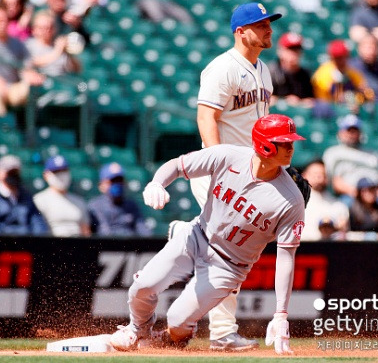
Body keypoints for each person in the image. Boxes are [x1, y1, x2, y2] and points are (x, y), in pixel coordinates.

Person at [109, 114, 306, 355]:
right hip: (197, 235)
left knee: (177, 320)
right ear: (265, 144)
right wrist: (157, 183)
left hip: (229, 265)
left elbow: (286, 257)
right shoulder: (228, 155)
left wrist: (281, 314)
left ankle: (172, 339)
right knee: (143, 286)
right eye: (284, 142)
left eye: (291, 142)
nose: (290, 148)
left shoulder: (291, 199)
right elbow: (178, 165)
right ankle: (137, 329)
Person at [172, 2, 282, 352]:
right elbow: (207, 118)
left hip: (247, 171)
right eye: (260, 24)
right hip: (218, 170)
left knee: (229, 251)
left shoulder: (263, 69)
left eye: (268, 23)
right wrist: (218, 165)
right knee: (225, 252)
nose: (268, 29)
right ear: (240, 31)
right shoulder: (221, 68)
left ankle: (183, 247)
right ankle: (220, 332)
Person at [0, 4, 44, 117]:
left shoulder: (17, 44)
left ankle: (34, 131)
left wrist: (31, 76)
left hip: (12, 88)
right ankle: (2, 131)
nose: (2, 24)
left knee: (32, 89)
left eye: (5, 20)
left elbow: (26, 69)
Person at [322, 114, 378, 206]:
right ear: (340, 133)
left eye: (355, 131)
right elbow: (334, 182)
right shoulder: (333, 153)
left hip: (375, 194)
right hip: (350, 195)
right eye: (349, 131)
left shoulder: (372, 153)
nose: (351, 134)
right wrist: (358, 193)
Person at [0, 155, 49, 235]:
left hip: (27, 244)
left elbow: (38, 224)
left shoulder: (26, 196)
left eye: (15, 173)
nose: (12, 176)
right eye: (9, 173)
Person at [88, 162, 151, 237]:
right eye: (112, 181)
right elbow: (104, 233)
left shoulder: (131, 205)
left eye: (119, 180)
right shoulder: (95, 205)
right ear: (102, 185)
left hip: (131, 246)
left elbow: (143, 230)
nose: (117, 184)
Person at [33, 155, 91, 237]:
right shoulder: (39, 200)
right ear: (46, 175)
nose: (61, 175)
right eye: (56, 172)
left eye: (64, 171)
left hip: (78, 247)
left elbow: (86, 231)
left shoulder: (79, 201)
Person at [311, 39, 374, 108]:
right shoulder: (323, 73)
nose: (342, 60)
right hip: (327, 109)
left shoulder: (352, 72)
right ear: (332, 57)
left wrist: (361, 95)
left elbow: (368, 95)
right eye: (338, 57)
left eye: (344, 56)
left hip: (347, 109)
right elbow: (335, 95)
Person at [300, 159, 348, 241]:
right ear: (304, 176)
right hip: (302, 249)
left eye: (323, 175)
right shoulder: (294, 203)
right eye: (315, 175)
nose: (319, 178)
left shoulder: (339, 206)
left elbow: (343, 236)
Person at [25, 9, 82, 77]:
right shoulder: (29, 45)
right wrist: (58, 50)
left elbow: (77, 70)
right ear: (34, 29)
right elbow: (33, 62)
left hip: (62, 83)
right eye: (42, 28)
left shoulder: (58, 46)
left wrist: (69, 53)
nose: (46, 31)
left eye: (50, 27)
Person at [268, 32, 315, 107]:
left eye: (297, 50)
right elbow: (263, 99)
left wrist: (299, 102)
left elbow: (311, 100)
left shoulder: (304, 74)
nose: (295, 53)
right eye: (291, 49)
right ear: (280, 51)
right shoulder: (270, 72)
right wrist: (283, 101)